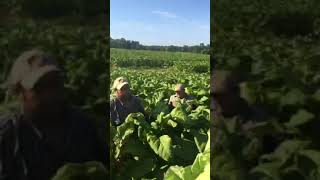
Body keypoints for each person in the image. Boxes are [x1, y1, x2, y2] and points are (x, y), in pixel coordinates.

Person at [0, 49, 108, 180]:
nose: (50, 95)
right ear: (20, 93)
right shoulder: (8, 135)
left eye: (54, 84)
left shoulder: (83, 125)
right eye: (39, 88)